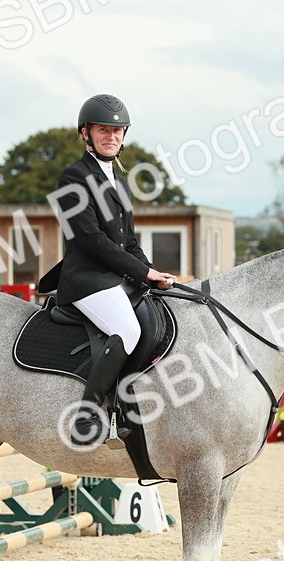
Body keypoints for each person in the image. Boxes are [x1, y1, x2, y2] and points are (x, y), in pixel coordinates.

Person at [43, 94, 179, 447]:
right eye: (104, 130)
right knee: (127, 328)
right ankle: (87, 416)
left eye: (118, 131)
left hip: (114, 278)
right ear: (85, 133)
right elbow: (90, 240)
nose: (112, 136)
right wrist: (141, 273)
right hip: (86, 280)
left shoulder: (118, 183)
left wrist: (152, 272)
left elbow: (128, 242)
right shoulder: (73, 177)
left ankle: (125, 403)